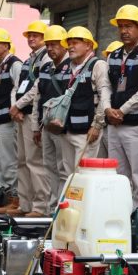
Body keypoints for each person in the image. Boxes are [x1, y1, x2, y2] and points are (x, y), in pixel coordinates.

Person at [103, 5, 138, 209]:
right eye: (121, 26)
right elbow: (106, 85)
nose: (124, 30)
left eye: (129, 26)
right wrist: (108, 108)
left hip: (136, 124)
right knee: (118, 179)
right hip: (114, 125)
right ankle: (122, 221)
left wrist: (122, 110)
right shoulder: (114, 55)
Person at [8, 21, 52, 216]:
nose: (32, 38)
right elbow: (17, 87)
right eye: (30, 35)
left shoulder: (46, 58)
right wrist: (14, 106)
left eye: (36, 35)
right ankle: (25, 204)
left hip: (32, 114)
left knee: (35, 162)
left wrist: (18, 105)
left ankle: (40, 206)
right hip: (20, 115)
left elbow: (37, 89)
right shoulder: (28, 60)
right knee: (22, 161)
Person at [55, 27, 108, 176]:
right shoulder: (68, 67)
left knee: (83, 174)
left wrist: (96, 125)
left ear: (88, 45)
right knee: (68, 174)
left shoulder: (98, 65)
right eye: (69, 43)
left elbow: (104, 97)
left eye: (75, 42)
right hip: (67, 129)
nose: (70, 46)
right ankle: (70, 201)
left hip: (86, 132)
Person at [0, 27, 23, 214]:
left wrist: (14, 108)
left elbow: (18, 88)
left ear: (6, 45)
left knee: (9, 162)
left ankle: (14, 198)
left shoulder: (15, 65)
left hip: (8, 120)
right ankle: (1, 196)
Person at [34, 25, 69, 211]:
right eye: (48, 45)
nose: (50, 49)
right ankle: (52, 205)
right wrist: (36, 126)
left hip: (62, 127)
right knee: (49, 167)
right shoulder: (45, 68)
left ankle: (62, 207)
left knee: (64, 169)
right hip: (46, 125)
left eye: (54, 44)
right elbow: (38, 98)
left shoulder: (72, 67)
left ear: (64, 45)